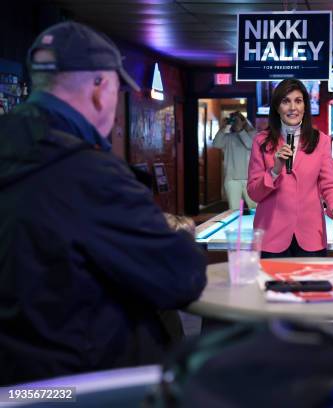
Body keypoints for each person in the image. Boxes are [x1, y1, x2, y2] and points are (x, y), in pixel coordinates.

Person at [0, 21, 206, 385]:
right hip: (76, 388)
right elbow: (183, 278)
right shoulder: (92, 173)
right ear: (100, 89)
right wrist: (170, 231)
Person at [247, 79, 333, 258]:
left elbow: (328, 184)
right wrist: (275, 170)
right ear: (277, 108)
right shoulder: (261, 141)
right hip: (270, 236)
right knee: (272, 287)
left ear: (305, 107)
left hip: (310, 236)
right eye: (286, 101)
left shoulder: (321, 141)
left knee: (311, 286)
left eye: (298, 101)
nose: (293, 107)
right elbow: (254, 193)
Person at [212, 111, 257, 210]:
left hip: (250, 179)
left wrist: (240, 130)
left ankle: (257, 226)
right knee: (234, 210)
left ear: (243, 121)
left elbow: (250, 145)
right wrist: (223, 128)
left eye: (237, 120)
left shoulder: (254, 134)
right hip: (232, 179)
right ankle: (237, 226)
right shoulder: (228, 136)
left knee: (255, 209)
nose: (235, 123)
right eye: (233, 121)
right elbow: (216, 144)